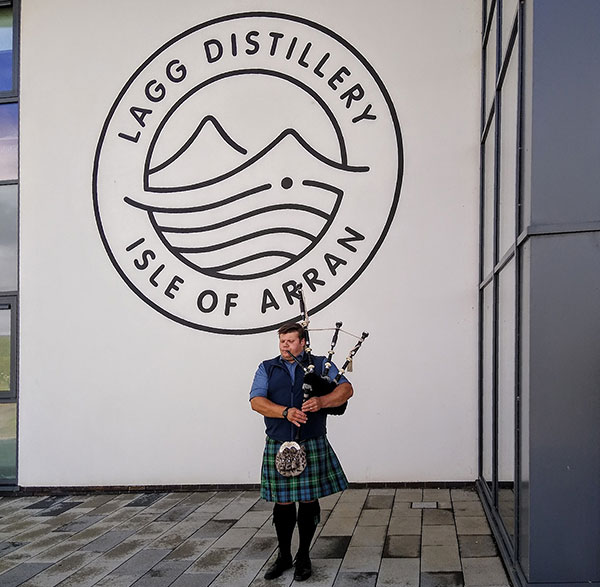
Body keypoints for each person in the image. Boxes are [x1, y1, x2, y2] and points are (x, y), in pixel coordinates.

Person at [250, 322, 353, 581]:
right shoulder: (267, 367)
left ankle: (304, 556)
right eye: (282, 341)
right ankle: (284, 555)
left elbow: (346, 390)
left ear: (303, 342)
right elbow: (256, 402)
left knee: (308, 501)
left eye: (290, 341)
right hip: (280, 443)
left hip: (312, 440)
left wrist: (322, 401)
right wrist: (285, 412)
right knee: (283, 503)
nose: (285, 345)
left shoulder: (320, 365)